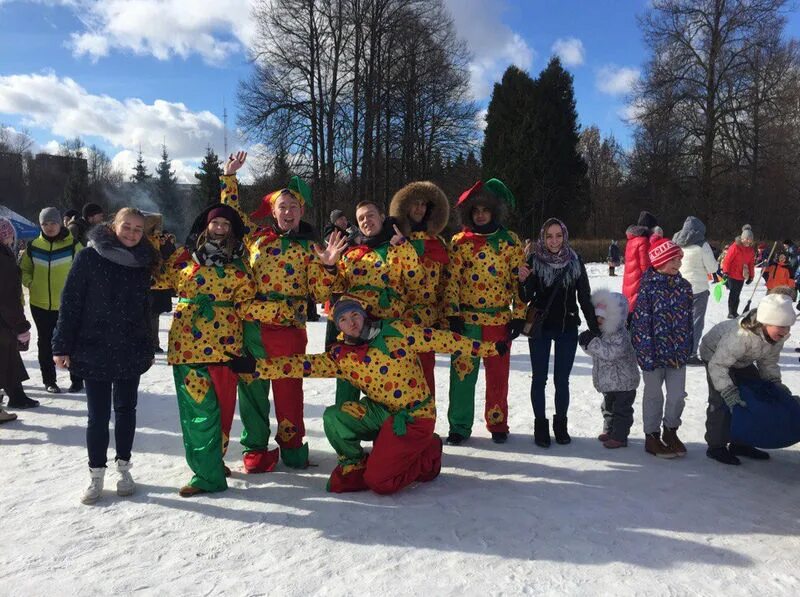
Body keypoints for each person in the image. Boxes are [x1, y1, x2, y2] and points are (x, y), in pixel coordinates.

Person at [227, 296, 506, 494]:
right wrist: (256, 367)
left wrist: (493, 348)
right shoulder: (342, 355)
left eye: (355, 315)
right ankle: (353, 462)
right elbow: (302, 364)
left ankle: (427, 455)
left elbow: (446, 340)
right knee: (334, 417)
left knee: (381, 483)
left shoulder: (397, 331)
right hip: (380, 411)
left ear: (364, 314)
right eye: (344, 319)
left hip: (414, 416)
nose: (351, 323)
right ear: (337, 325)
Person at [220, 151, 345, 470]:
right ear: (273, 212)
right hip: (253, 325)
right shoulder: (257, 238)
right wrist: (230, 178)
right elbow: (230, 215)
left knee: (290, 390)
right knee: (252, 389)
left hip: (289, 328)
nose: (288, 211)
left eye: (293, 207)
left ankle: (292, 448)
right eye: (282, 207)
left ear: (301, 210)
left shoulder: (310, 246)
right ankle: (256, 451)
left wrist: (329, 268)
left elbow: (319, 293)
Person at [52, 208, 158, 504]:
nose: (132, 233)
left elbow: (143, 310)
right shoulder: (89, 256)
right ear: (114, 226)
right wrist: (61, 345)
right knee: (97, 416)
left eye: (139, 229)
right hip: (93, 346)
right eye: (128, 226)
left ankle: (124, 468)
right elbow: (71, 301)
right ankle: (96, 474)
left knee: (126, 411)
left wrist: (148, 345)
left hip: (130, 347)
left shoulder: (142, 262)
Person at [153, 203, 256, 497]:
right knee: (198, 413)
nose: (220, 228)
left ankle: (213, 461)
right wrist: (152, 246)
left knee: (222, 412)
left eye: (226, 224)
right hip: (189, 347)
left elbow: (248, 303)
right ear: (206, 227)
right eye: (215, 223)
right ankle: (206, 475)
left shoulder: (240, 265)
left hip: (227, 349)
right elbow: (158, 278)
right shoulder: (185, 259)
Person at [444, 178, 525, 445]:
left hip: (499, 320)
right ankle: (459, 425)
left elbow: (519, 282)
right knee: (462, 376)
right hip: (467, 321)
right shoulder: (459, 241)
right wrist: (452, 314)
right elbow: (452, 280)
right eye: (475, 211)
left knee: (498, 375)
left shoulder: (509, 241)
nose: (480, 215)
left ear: (493, 211)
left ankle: (497, 421)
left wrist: (519, 315)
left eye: (485, 210)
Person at [330, 200, 421, 406]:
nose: (366, 220)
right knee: (348, 380)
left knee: (388, 384)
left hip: (386, 326)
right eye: (361, 218)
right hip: (354, 326)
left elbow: (415, 280)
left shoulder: (398, 247)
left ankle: (387, 431)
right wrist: (329, 266)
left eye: (370, 215)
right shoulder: (351, 254)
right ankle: (346, 427)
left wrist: (404, 248)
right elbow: (335, 287)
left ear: (382, 216)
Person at [519, 218, 598, 447]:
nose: (554, 241)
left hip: (567, 327)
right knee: (539, 379)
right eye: (549, 236)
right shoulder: (534, 260)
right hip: (540, 328)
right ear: (543, 238)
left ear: (564, 236)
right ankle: (540, 425)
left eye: (558, 235)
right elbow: (525, 297)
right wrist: (523, 280)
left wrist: (594, 327)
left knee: (562, 380)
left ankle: (560, 425)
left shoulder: (574, 261)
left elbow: (584, 296)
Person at [701, 293, 796, 465]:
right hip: (715, 356)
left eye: (788, 327)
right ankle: (716, 446)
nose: (785, 331)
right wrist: (728, 390)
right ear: (765, 322)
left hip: (742, 360)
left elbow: (768, 362)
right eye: (781, 326)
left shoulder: (778, 337)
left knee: (755, 395)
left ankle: (741, 443)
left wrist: (774, 384)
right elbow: (718, 365)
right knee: (721, 401)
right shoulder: (741, 336)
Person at [630, 237, 693, 459]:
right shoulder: (647, 288)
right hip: (653, 356)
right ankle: (652, 435)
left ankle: (671, 431)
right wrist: (645, 354)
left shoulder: (685, 287)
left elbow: (688, 322)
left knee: (677, 396)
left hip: (677, 354)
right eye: (672, 259)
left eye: (679, 259)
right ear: (659, 261)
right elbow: (640, 324)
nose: (677, 263)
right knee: (654, 396)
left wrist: (687, 347)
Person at [389, 181, 450, 397]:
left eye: (423, 204)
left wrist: (448, 317)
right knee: (398, 377)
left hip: (427, 320)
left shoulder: (439, 242)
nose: (419, 209)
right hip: (399, 320)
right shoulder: (393, 240)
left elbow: (446, 283)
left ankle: (426, 427)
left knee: (426, 375)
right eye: (415, 203)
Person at [20, 207, 83, 394]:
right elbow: (24, 270)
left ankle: (77, 379)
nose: (49, 227)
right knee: (45, 343)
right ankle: (49, 381)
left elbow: (85, 272)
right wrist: (31, 283)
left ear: (59, 223)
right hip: (40, 304)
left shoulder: (73, 246)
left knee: (71, 341)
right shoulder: (33, 246)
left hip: (67, 304)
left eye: (53, 222)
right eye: (44, 224)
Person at [578, 290, 640, 449]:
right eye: (597, 316)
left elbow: (610, 353)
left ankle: (619, 437)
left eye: (602, 317)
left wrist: (592, 343)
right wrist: (587, 343)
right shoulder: (603, 332)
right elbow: (597, 352)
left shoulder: (620, 335)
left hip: (624, 383)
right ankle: (610, 430)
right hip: (610, 382)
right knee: (608, 407)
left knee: (621, 411)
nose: (599, 320)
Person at [0, 216, 35, 415]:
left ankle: (17, 395)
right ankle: (17, 397)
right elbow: (6, 295)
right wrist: (19, 324)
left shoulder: (5, 253)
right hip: (4, 319)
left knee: (8, 357)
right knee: (7, 357)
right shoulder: (3, 258)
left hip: (4, 317)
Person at [673, 216, 718, 365]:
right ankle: (691, 354)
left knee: (680, 321)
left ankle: (677, 350)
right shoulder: (702, 245)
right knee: (696, 322)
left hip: (680, 287)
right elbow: (712, 268)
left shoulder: (676, 242)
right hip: (698, 289)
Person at [622, 210, 657, 314]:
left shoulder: (632, 239)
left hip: (630, 283)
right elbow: (646, 268)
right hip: (638, 286)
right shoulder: (644, 241)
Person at [721, 225, 755, 319]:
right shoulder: (735, 247)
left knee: (737, 294)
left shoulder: (751, 250)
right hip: (732, 274)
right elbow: (727, 260)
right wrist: (725, 272)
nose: (748, 241)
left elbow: (751, 264)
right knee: (733, 293)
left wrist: (751, 276)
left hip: (742, 275)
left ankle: (735, 311)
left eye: (750, 239)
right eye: (746, 239)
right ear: (742, 238)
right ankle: (731, 312)